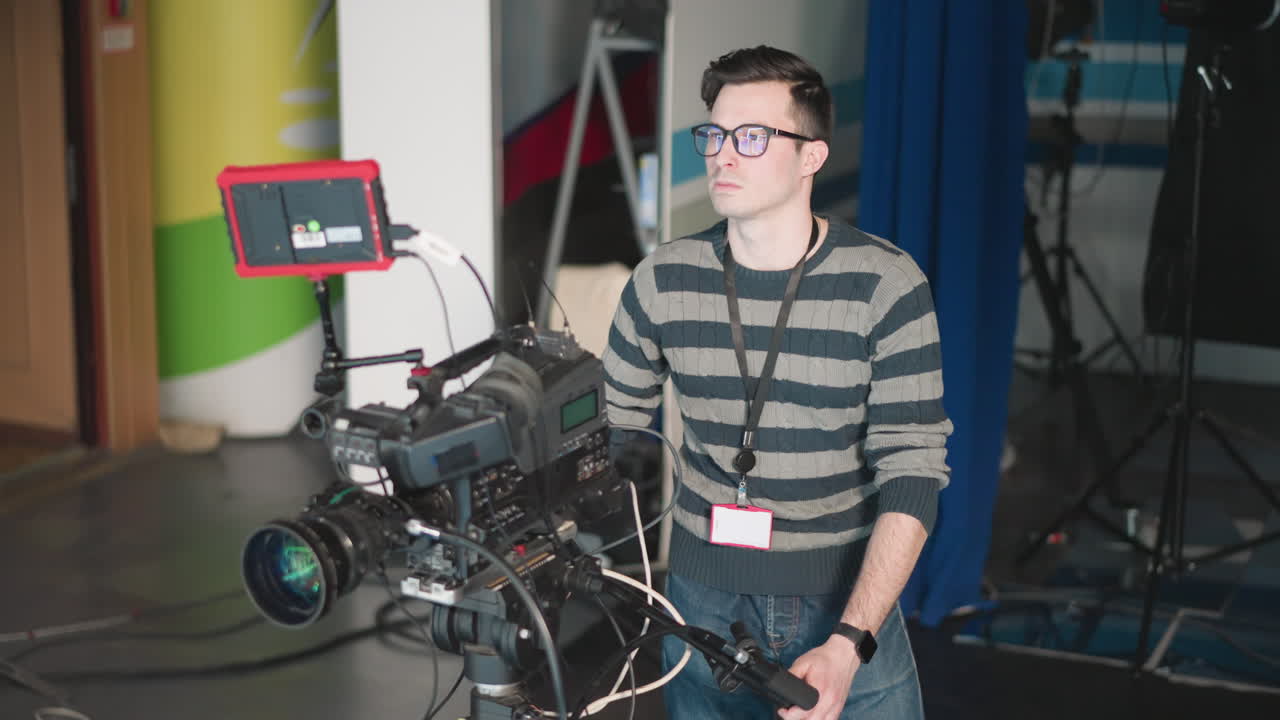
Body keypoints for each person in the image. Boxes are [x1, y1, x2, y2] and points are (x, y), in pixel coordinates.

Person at [601, 45, 952, 720]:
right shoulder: (663, 279)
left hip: (840, 598)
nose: (723, 155)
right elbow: (604, 431)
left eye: (753, 137)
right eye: (716, 133)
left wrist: (850, 643)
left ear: (811, 156)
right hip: (701, 593)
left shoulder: (885, 284)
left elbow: (914, 472)